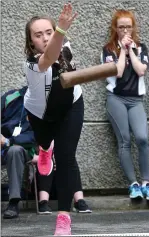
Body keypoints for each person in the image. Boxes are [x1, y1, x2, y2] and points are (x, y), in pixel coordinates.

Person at [23, 3, 85, 235]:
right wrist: (60, 30)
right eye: (38, 35)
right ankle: (45, 148)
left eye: (49, 32)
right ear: (31, 42)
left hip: (71, 106)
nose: (45, 38)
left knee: (67, 157)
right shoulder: (30, 63)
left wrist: (60, 33)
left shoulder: (65, 45)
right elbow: (48, 59)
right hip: (39, 114)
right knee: (46, 142)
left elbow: (58, 52)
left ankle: (64, 218)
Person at [101, 9, 149, 201]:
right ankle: (133, 184)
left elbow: (141, 70)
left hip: (136, 100)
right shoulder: (108, 49)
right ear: (115, 29)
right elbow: (117, 72)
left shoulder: (141, 48)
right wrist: (122, 51)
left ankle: (146, 183)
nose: (125, 30)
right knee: (125, 140)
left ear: (133, 28)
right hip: (116, 99)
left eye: (128, 26)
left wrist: (131, 50)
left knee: (142, 138)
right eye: (121, 27)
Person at [1, 86, 37, 219]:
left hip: (24, 148)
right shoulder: (11, 96)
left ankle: (13, 202)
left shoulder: (41, 103)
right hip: (3, 144)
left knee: (14, 150)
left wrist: (9, 141)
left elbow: (37, 135)